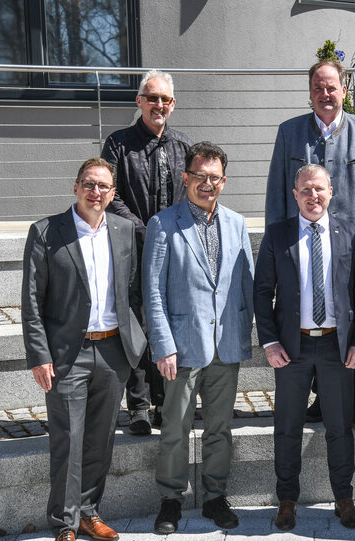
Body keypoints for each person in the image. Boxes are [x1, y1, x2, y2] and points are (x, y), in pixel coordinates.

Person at [22, 158, 147, 541]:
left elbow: (133, 292)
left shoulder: (124, 230)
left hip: (112, 352)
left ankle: (90, 512)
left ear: (113, 194)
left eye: (103, 187)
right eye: (89, 184)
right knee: (68, 440)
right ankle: (64, 527)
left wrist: (137, 341)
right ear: (76, 187)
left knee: (100, 439)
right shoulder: (46, 232)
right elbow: (32, 301)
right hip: (67, 356)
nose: (96, 192)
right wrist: (40, 355)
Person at [265, 59, 355, 430]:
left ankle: (354, 400)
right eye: (318, 88)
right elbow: (277, 193)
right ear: (309, 92)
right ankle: (322, 398)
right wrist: (276, 249)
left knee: (353, 321)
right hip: (303, 246)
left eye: (331, 87)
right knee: (313, 317)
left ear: (344, 90)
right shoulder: (289, 132)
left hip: (354, 249)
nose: (325, 94)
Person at [143, 142, 254, 534]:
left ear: (224, 181)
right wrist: (163, 345)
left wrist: (243, 333)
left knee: (219, 428)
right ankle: (171, 500)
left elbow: (246, 284)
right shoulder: (163, 224)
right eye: (200, 176)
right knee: (175, 428)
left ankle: (214, 497)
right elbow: (153, 290)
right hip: (182, 345)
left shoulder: (236, 223)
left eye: (215, 177)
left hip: (226, 344)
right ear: (185, 177)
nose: (207, 184)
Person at [254, 164, 355, 531]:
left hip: (337, 347)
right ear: (295, 195)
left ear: (331, 192)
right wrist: (270, 341)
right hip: (292, 347)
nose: (313, 195)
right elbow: (262, 292)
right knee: (287, 426)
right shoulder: (278, 235)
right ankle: (287, 499)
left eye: (319, 188)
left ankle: (344, 497)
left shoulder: (350, 233)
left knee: (340, 426)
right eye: (305, 189)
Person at [101, 69, 194, 435]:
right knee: (137, 326)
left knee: (168, 323)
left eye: (165, 99)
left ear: (173, 104)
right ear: (139, 101)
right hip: (133, 249)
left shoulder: (183, 146)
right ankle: (138, 406)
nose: (159, 104)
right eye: (152, 98)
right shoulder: (119, 144)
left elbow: (194, 194)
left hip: (174, 251)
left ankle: (164, 402)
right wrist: (144, 231)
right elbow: (111, 194)